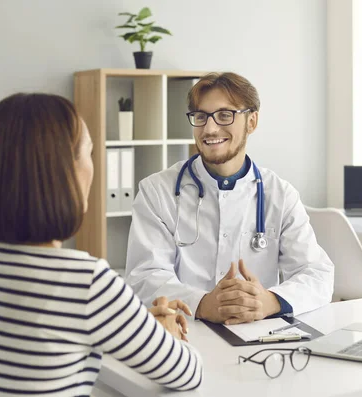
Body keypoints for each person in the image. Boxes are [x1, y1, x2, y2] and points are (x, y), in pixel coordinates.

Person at [0, 93, 202, 396]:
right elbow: (187, 373)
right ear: (63, 173)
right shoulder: (85, 281)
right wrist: (166, 334)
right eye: (89, 153)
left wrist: (132, 326)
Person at [125, 72, 334, 325]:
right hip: (186, 332)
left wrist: (270, 301)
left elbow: (317, 274)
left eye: (225, 115)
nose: (210, 129)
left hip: (258, 336)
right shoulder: (157, 191)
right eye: (201, 117)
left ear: (252, 121)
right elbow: (144, 277)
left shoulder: (280, 195)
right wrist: (202, 304)